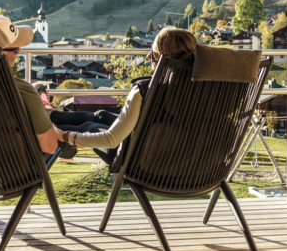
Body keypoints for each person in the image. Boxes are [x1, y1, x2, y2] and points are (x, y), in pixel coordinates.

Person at [0, 15, 64, 225]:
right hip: (10, 175)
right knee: (54, 143)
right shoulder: (21, 90)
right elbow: (48, 145)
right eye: (15, 50)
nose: (18, 54)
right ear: (0, 53)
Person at [54, 27, 197, 169]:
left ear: (166, 59)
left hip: (142, 163)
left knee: (89, 127)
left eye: (153, 54)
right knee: (100, 115)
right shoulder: (208, 90)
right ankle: (50, 116)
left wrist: (66, 137)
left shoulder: (146, 89)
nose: (148, 57)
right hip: (189, 162)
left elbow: (111, 139)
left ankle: (46, 130)